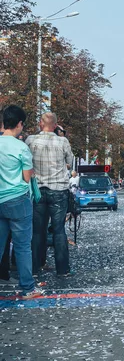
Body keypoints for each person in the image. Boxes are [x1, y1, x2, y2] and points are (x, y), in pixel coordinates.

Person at [0, 106, 43, 298]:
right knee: (22, 246)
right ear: (19, 124)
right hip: (18, 200)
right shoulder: (21, 147)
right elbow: (26, 178)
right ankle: (28, 288)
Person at [26, 112, 74, 277]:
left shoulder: (30, 140)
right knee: (59, 230)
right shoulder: (63, 141)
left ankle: (34, 267)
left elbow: (26, 162)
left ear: (40, 123)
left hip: (38, 191)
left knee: (37, 231)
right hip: (58, 190)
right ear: (55, 125)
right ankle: (62, 269)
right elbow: (70, 162)